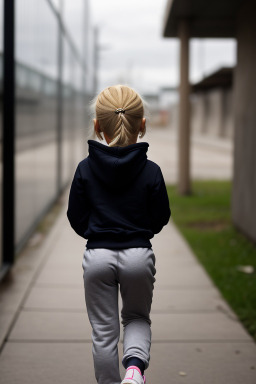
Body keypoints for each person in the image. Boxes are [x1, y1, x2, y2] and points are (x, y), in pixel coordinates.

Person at [67, 84, 171, 384]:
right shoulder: (151, 171)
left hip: (97, 256)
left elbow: (76, 216)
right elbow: (161, 216)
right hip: (138, 255)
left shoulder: (85, 169)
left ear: (98, 126)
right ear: (143, 125)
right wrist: (140, 233)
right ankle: (135, 371)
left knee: (103, 331)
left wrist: (96, 234)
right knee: (137, 317)